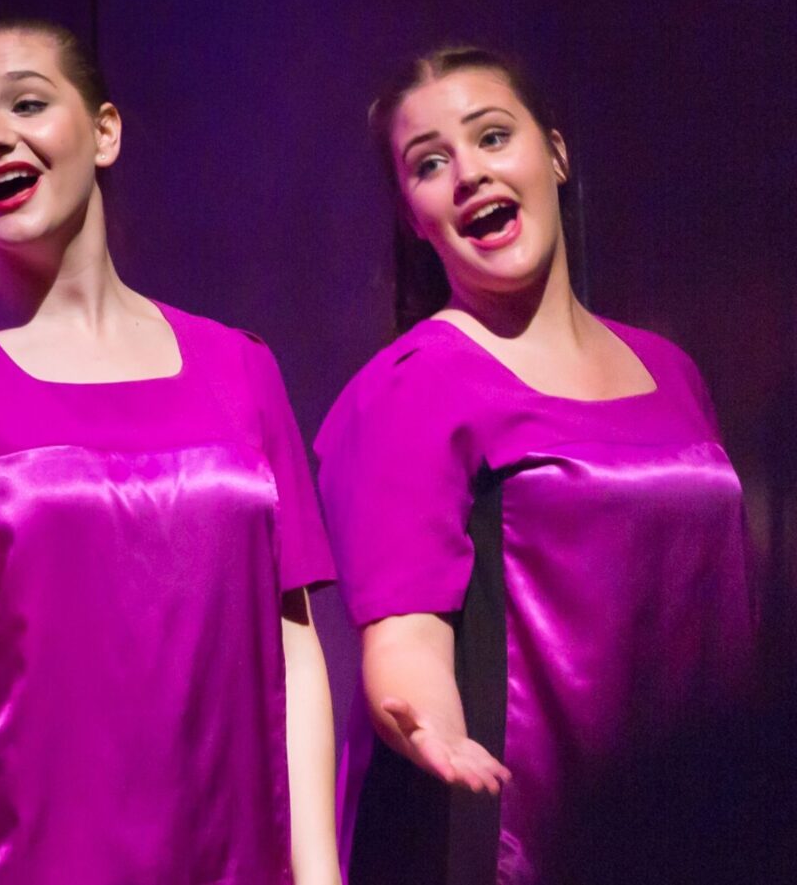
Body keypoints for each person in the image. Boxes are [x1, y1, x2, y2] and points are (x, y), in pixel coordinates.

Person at [0, 19, 340, 883]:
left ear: (104, 131)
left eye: (25, 102)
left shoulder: (240, 367)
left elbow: (291, 642)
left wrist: (318, 870)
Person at [323, 46, 756, 884]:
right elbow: (403, 633)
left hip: (698, 826)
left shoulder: (671, 370)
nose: (469, 175)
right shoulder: (413, 387)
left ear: (555, 154)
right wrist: (430, 724)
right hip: (518, 841)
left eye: (492, 137)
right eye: (430, 164)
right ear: (414, 215)